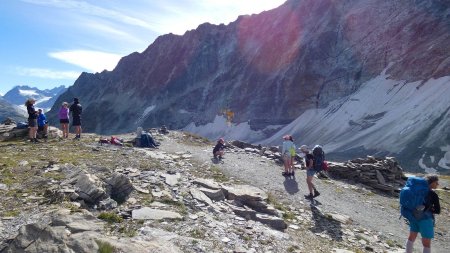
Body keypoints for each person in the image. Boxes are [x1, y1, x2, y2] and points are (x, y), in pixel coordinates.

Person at [405, 175, 441, 253]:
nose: (437, 184)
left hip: (414, 216)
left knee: (411, 237)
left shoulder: (416, 191)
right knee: (426, 243)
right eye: (436, 182)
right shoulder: (433, 194)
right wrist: (429, 209)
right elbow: (438, 210)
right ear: (431, 183)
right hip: (426, 219)